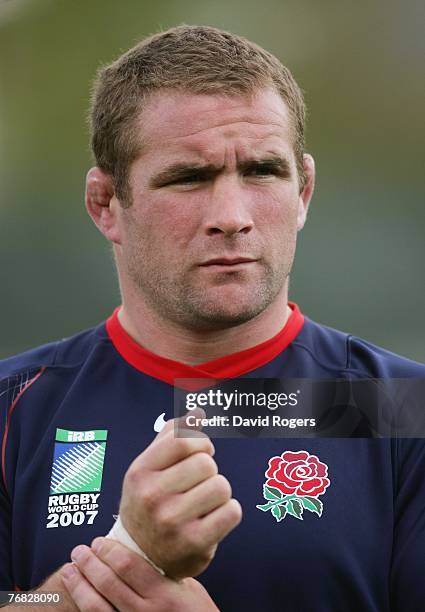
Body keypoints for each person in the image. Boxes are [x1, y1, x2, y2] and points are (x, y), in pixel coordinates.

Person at [1, 24, 424, 611]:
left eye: (262, 171)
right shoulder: (15, 407)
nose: (232, 215)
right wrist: (133, 553)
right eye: (189, 178)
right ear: (106, 204)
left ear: (303, 191)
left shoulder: (402, 408)